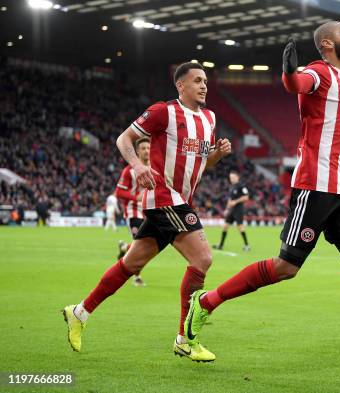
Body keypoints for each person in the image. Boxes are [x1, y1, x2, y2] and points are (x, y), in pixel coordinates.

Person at [183, 21, 340, 384]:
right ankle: (205, 304)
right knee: (286, 267)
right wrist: (287, 71)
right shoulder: (320, 72)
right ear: (327, 43)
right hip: (314, 187)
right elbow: (296, 84)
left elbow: (328, 122)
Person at [62, 62, 232, 362]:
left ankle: (79, 312)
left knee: (131, 262)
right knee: (203, 257)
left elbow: (202, 166)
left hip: (183, 200)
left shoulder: (209, 118)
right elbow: (123, 139)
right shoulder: (163, 111)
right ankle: (185, 338)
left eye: (205, 80)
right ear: (181, 86)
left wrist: (216, 154)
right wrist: (138, 166)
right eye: (196, 81)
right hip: (165, 197)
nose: (203, 85)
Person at [115, 137, 151, 287]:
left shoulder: (156, 167)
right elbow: (118, 192)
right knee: (139, 244)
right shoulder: (129, 170)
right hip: (133, 211)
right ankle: (137, 277)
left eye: (148, 148)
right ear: (137, 151)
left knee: (146, 245)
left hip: (150, 212)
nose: (146, 151)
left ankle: (124, 248)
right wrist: (135, 197)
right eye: (143, 148)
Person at [212, 170, 250, 251]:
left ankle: (247, 245)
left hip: (239, 209)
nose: (231, 179)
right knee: (225, 226)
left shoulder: (241, 186)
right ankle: (221, 245)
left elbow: (246, 197)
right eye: (230, 178)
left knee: (240, 226)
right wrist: (227, 209)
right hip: (232, 210)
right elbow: (230, 200)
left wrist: (235, 202)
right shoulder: (232, 187)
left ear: (237, 177)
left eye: (233, 177)